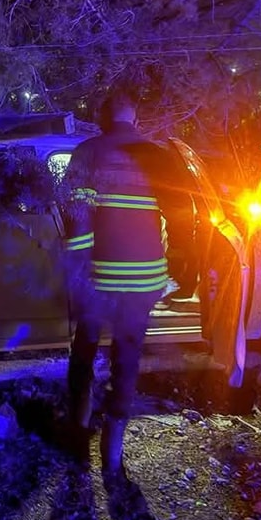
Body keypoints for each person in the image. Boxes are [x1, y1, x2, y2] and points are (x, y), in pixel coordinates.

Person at [61, 86, 186, 474]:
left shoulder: (87, 152)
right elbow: (182, 214)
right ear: (136, 119)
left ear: (103, 118)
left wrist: (80, 265)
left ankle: (78, 435)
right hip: (144, 278)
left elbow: (75, 214)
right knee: (127, 358)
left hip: (99, 277)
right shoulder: (159, 156)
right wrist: (183, 266)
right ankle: (112, 452)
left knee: (84, 350)